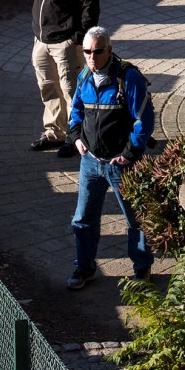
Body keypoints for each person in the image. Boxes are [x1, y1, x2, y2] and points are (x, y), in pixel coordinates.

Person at [64, 26, 155, 289]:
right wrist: (76, 137)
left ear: (109, 50)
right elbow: (77, 111)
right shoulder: (84, 77)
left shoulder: (129, 78)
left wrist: (129, 154)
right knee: (83, 219)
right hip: (90, 162)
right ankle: (84, 269)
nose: (92, 57)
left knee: (135, 218)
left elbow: (143, 120)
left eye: (97, 51)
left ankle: (141, 269)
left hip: (120, 166)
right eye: (87, 52)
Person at [8, 0, 99, 156]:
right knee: (48, 88)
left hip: (65, 43)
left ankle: (75, 137)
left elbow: (91, 8)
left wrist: (77, 38)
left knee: (70, 91)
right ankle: (54, 133)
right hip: (41, 41)